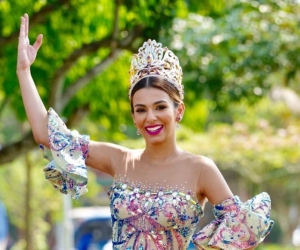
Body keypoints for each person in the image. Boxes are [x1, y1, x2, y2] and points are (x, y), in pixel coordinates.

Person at [17, 13, 274, 250]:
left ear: (179, 111)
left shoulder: (201, 169)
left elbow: (243, 233)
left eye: (160, 107)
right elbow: (46, 135)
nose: (150, 117)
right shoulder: (120, 160)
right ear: (134, 116)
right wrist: (24, 71)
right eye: (141, 109)